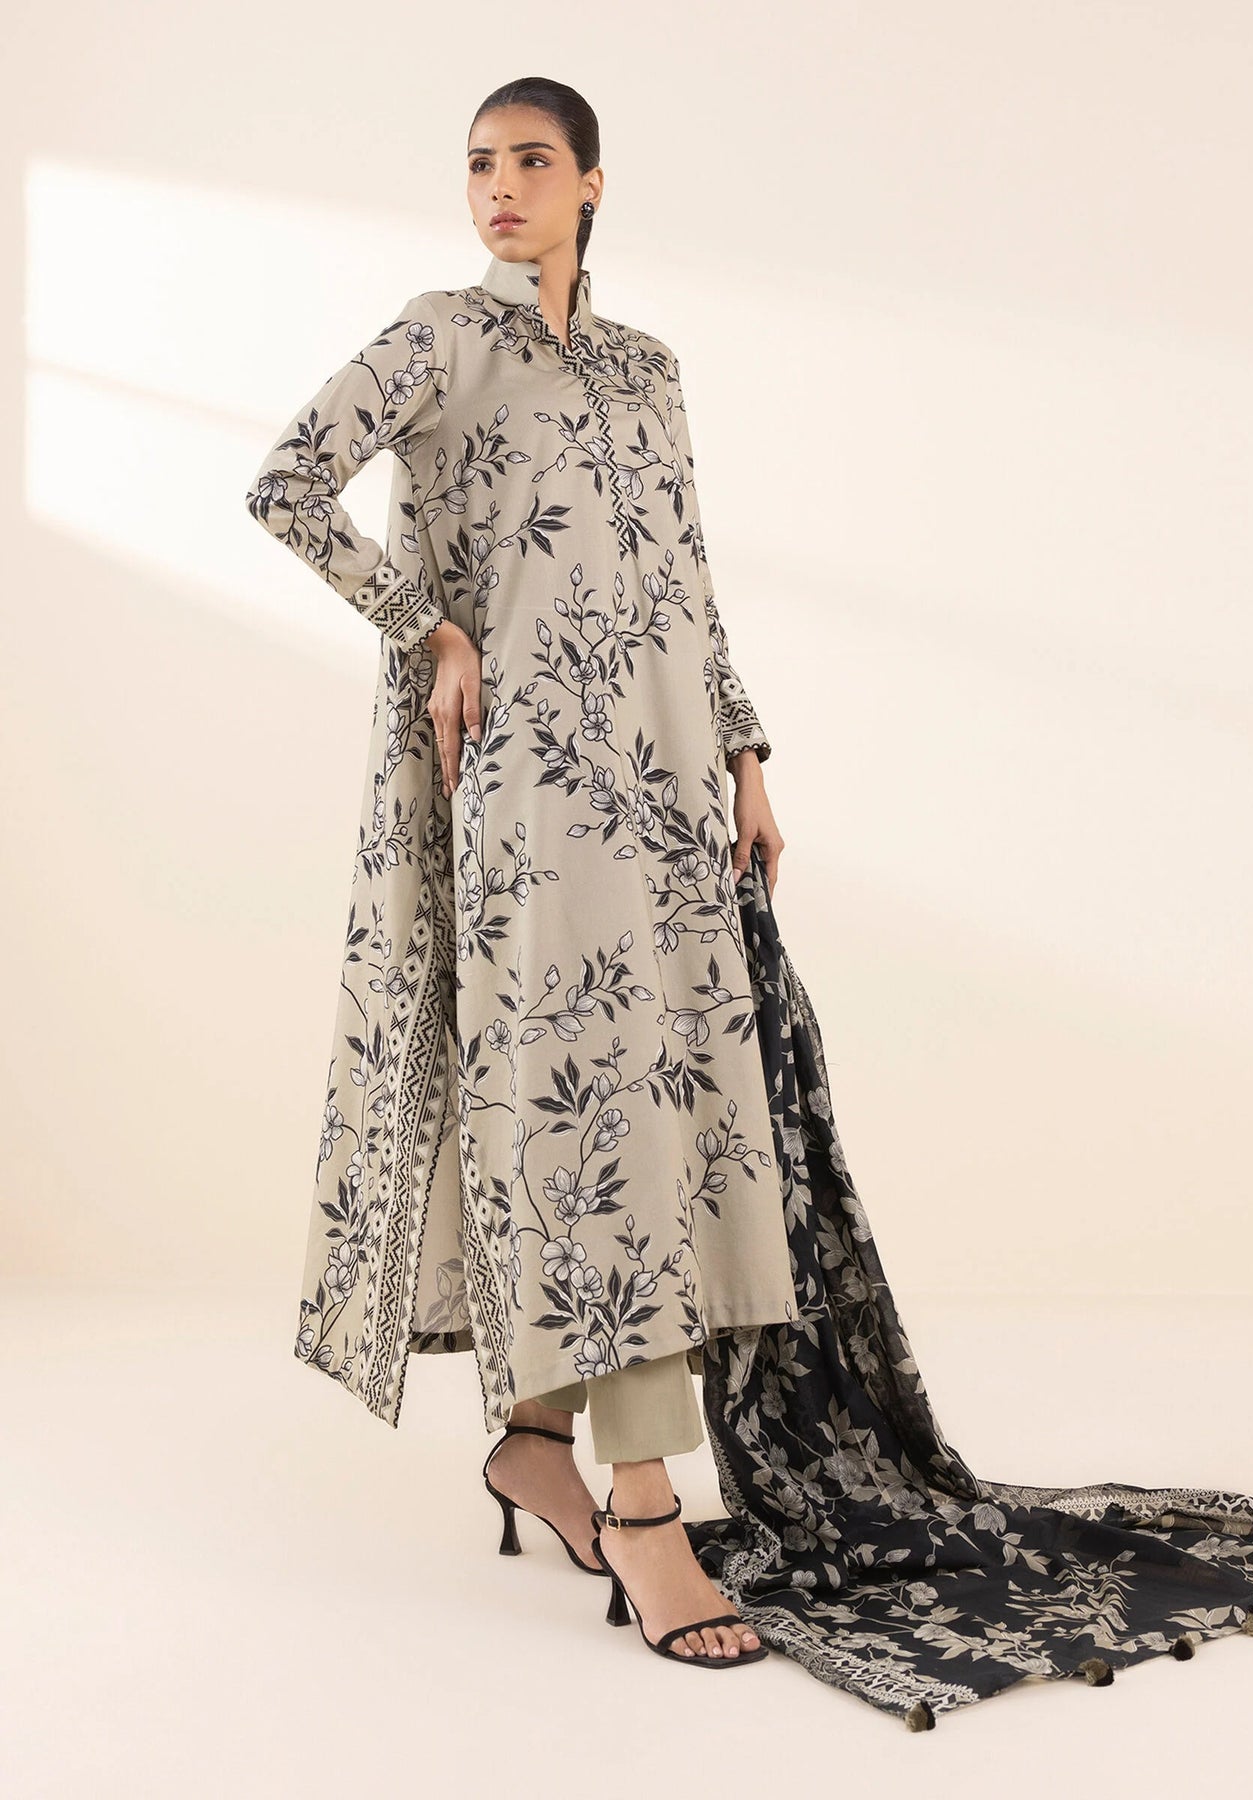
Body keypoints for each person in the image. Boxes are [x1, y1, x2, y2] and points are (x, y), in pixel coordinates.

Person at [246, 75, 795, 1669]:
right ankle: (645, 1506)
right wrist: (426, 624)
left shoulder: (647, 368)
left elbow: (687, 575)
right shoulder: (438, 339)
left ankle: (536, 1440)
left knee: (655, 1113)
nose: (500, 185)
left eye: (532, 161)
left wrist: (747, 753)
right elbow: (286, 484)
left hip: (669, 795)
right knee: (588, 1115)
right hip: (528, 802)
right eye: (480, 163)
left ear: (591, 183)